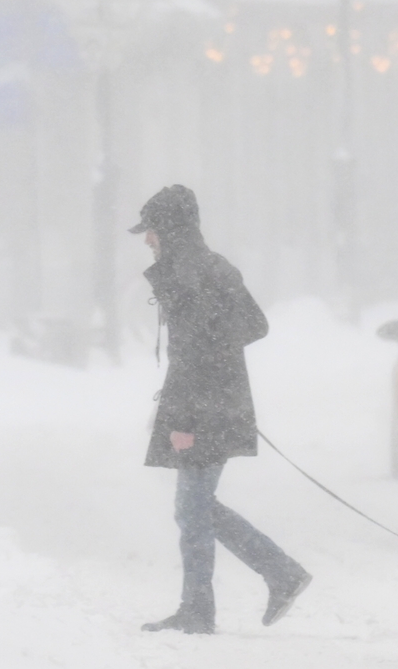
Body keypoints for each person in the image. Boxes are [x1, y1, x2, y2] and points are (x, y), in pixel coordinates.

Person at [130, 185, 311, 635]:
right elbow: (250, 326)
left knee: (192, 508)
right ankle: (268, 577)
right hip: (217, 402)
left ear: (169, 228)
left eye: (151, 229)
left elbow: (194, 352)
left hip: (203, 409)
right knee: (194, 507)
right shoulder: (210, 268)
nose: (147, 239)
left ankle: (241, 589)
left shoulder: (189, 274)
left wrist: (186, 418)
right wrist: (221, 363)